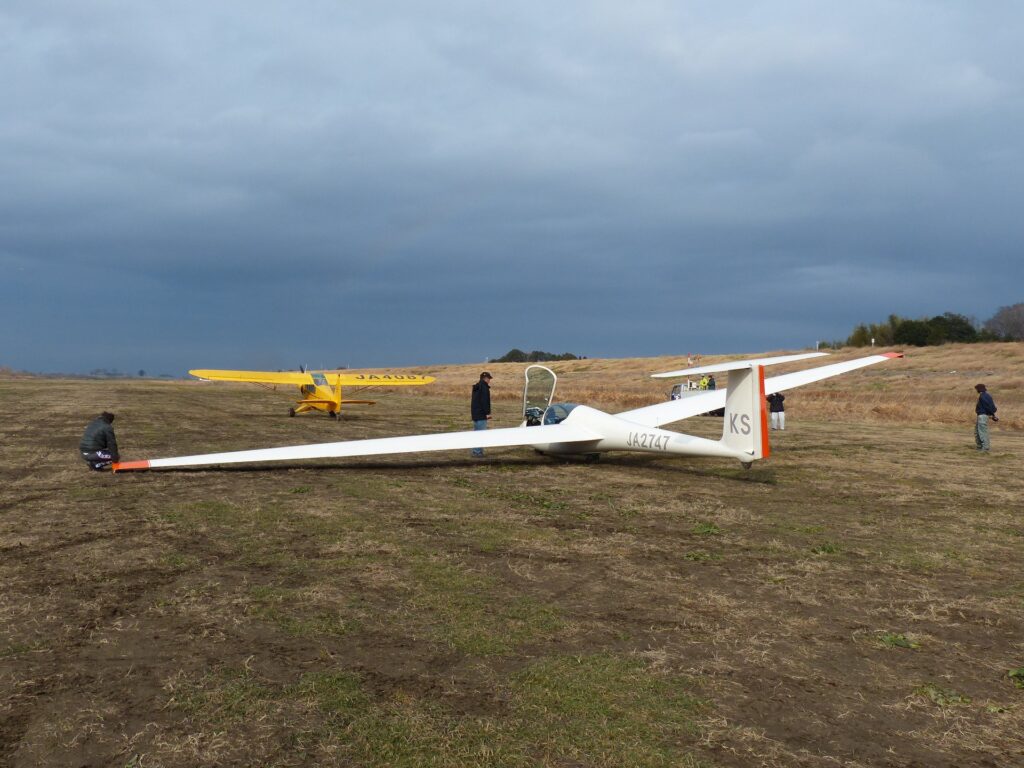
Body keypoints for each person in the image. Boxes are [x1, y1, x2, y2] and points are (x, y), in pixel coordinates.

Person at [470, 372, 493, 457]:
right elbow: (484, 401)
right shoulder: (484, 387)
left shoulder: (477, 386)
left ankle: (476, 451)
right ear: (485, 378)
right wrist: (487, 413)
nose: (489, 380)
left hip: (475, 414)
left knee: (476, 433)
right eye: (489, 378)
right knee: (481, 434)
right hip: (481, 414)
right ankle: (478, 452)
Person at [974, 383, 998, 452]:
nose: (976, 391)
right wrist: (993, 415)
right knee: (977, 432)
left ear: (979, 389)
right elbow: (991, 407)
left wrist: (993, 414)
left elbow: (988, 407)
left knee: (982, 432)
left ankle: (985, 448)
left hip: (982, 416)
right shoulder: (987, 395)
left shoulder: (983, 396)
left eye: (976, 389)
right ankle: (980, 447)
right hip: (982, 416)